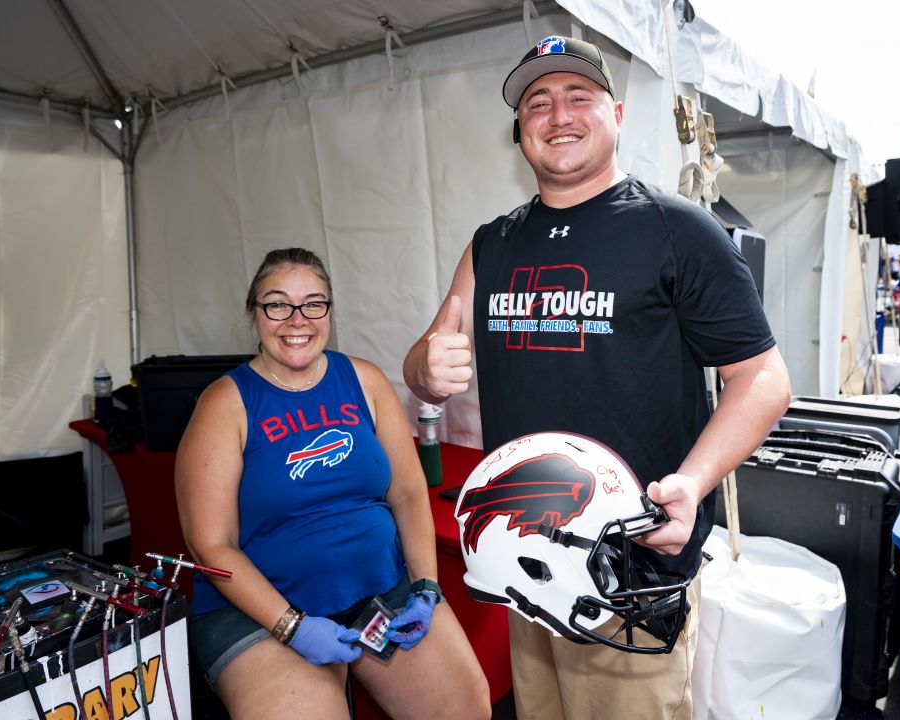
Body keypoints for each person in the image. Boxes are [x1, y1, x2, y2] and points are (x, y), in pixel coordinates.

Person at [402, 36, 791, 720]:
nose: (558, 115)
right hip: (526, 560)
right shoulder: (492, 243)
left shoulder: (677, 230)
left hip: (629, 568)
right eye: (537, 103)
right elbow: (429, 360)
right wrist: (427, 368)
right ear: (520, 131)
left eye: (578, 97)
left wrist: (693, 485)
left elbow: (762, 379)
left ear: (614, 113)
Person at [176, 248, 490, 720]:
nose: (296, 319)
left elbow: (407, 494)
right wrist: (291, 627)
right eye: (277, 304)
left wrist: (426, 587)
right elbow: (210, 545)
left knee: (466, 711)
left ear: (329, 311)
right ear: (254, 313)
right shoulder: (225, 404)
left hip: (381, 591)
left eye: (313, 304)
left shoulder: (363, 380)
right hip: (262, 609)